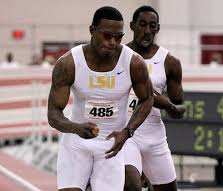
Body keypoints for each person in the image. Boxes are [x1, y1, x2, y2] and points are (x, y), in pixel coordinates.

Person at [47, 6, 153, 191]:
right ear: (92, 30)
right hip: (77, 143)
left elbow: (148, 99)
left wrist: (127, 132)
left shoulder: (134, 63)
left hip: (112, 146)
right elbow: (53, 114)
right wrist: (76, 128)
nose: (113, 42)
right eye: (107, 36)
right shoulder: (68, 63)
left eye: (118, 37)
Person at [124, 6, 185, 191]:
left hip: (154, 136)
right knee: (131, 186)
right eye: (142, 25)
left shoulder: (170, 62)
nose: (147, 31)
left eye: (152, 26)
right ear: (132, 26)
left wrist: (168, 105)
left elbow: (179, 110)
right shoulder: (118, 56)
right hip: (127, 133)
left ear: (158, 29)